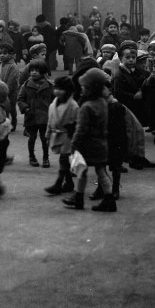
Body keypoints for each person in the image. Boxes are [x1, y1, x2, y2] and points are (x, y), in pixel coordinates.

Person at [62, 68, 116, 212]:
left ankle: (78, 198)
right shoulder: (103, 102)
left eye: (84, 86)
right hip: (101, 143)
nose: (81, 89)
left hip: (87, 144)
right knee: (101, 171)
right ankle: (109, 199)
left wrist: (74, 144)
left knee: (81, 171)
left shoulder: (86, 107)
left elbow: (81, 129)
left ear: (92, 88)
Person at [89, 80, 127, 200]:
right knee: (101, 166)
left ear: (110, 90)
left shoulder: (116, 105)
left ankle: (115, 189)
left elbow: (121, 128)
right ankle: (101, 188)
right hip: (101, 140)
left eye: (103, 89)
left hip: (115, 141)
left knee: (115, 166)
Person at [44, 76, 79, 195]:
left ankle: (58, 183)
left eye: (61, 89)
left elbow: (77, 123)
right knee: (64, 161)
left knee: (64, 160)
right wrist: (48, 134)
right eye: (56, 88)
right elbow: (50, 119)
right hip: (57, 134)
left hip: (68, 136)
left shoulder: (73, 106)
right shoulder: (54, 103)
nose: (57, 91)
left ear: (68, 90)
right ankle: (69, 183)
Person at [17, 59, 53, 167]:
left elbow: (54, 99)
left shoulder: (50, 85)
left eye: (36, 70)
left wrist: (52, 111)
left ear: (42, 71)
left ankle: (45, 158)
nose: (33, 72)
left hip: (44, 116)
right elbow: (20, 99)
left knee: (44, 138)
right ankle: (31, 156)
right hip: (31, 116)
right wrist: (26, 109)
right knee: (32, 138)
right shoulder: (26, 85)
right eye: (31, 70)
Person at [113, 40, 149, 127]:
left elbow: (144, 80)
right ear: (121, 58)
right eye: (128, 57)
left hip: (136, 104)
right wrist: (133, 96)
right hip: (126, 104)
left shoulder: (138, 70)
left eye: (133, 57)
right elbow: (118, 91)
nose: (131, 60)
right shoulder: (119, 74)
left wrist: (141, 90)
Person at [0, 43, 20, 132]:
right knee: (4, 109)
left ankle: (13, 121)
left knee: (11, 108)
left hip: (12, 91)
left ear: (10, 54)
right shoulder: (0, 64)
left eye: (4, 53)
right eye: (0, 53)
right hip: (2, 90)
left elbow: (11, 81)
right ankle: (5, 124)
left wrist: (6, 91)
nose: (2, 55)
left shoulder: (13, 66)